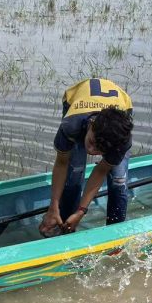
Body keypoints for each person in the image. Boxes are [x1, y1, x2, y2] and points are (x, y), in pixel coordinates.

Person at [40, 78, 134, 236]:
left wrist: (82, 211)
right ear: (91, 126)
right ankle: (63, 225)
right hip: (75, 103)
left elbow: (101, 171)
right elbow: (62, 163)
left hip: (123, 107)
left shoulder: (122, 140)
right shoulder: (71, 126)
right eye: (91, 142)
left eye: (100, 150)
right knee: (74, 173)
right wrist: (53, 206)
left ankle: (115, 232)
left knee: (119, 180)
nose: (91, 150)